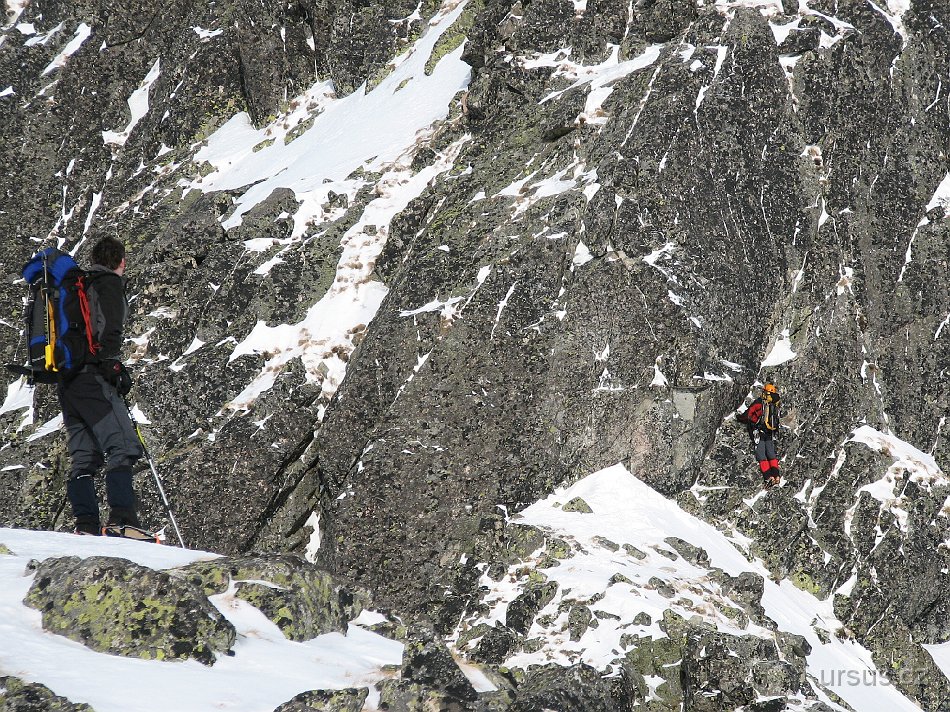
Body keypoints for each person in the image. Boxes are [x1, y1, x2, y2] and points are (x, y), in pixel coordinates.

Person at [59, 237, 141, 534]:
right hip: (93, 378)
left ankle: (86, 525)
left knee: (84, 456)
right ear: (121, 261)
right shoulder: (107, 283)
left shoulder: (75, 286)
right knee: (123, 445)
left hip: (67, 381)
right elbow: (110, 326)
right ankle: (122, 520)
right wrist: (112, 363)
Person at [737, 382, 782, 487]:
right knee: (771, 454)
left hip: (759, 431)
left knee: (761, 455)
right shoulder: (775, 404)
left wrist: (739, 418)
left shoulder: (759, 403)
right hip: (770, 432)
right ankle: (776, 476)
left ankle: (768, 477)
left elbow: (748, 414)